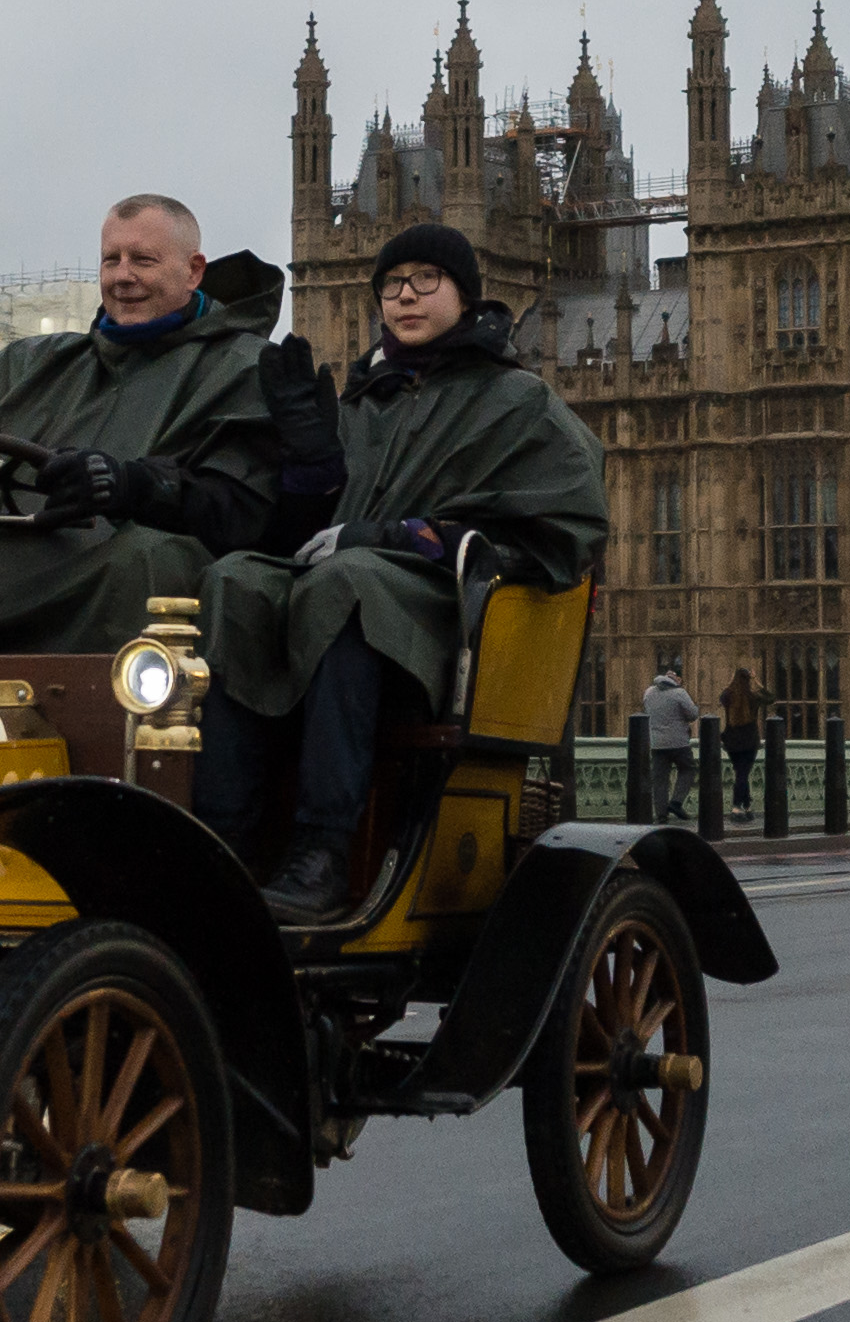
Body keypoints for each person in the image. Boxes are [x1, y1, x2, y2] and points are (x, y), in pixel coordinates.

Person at [196, 224, 608, 918]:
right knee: (235, 579)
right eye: (391, 284)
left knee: (350, 578)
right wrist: (306, 463)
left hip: (445, 616)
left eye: (425, 279)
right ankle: (220, 840)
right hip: (338, 597)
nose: (405, 296)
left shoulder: (516, 400)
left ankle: (322, 852)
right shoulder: (362, 401)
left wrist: (399, 537)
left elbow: (565, 529)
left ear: (465, 293)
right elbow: (301, 537)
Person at [0, 189, 322, 656]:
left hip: (110, 567)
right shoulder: (39, 361)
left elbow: (245, 505)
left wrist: (130, 486)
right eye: (111, 260)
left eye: (143, 260)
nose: (123, 276)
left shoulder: (244, 368)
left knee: (143, 560)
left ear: (194, 271)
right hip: (4, 555)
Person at [639, 662, 703, 822]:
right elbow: (693, 714)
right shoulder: (679, 693)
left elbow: (647, 710)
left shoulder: (648, 692)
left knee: (659, 780)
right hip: (679, 742)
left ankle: (661, 815)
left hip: (657, 743)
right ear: (675, 680)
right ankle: (676, 802)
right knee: (688, 769)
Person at [719, 665, 765, 810]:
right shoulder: (753, 697)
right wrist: (756, 681)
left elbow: (721, 696)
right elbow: (770, 698)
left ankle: (746, 805)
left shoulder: (728, 696)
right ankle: (737, 806)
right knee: (742, 773)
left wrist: (732, 682)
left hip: (732, 741)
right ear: (748, 680)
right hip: (749, 741)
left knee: (740, 772)